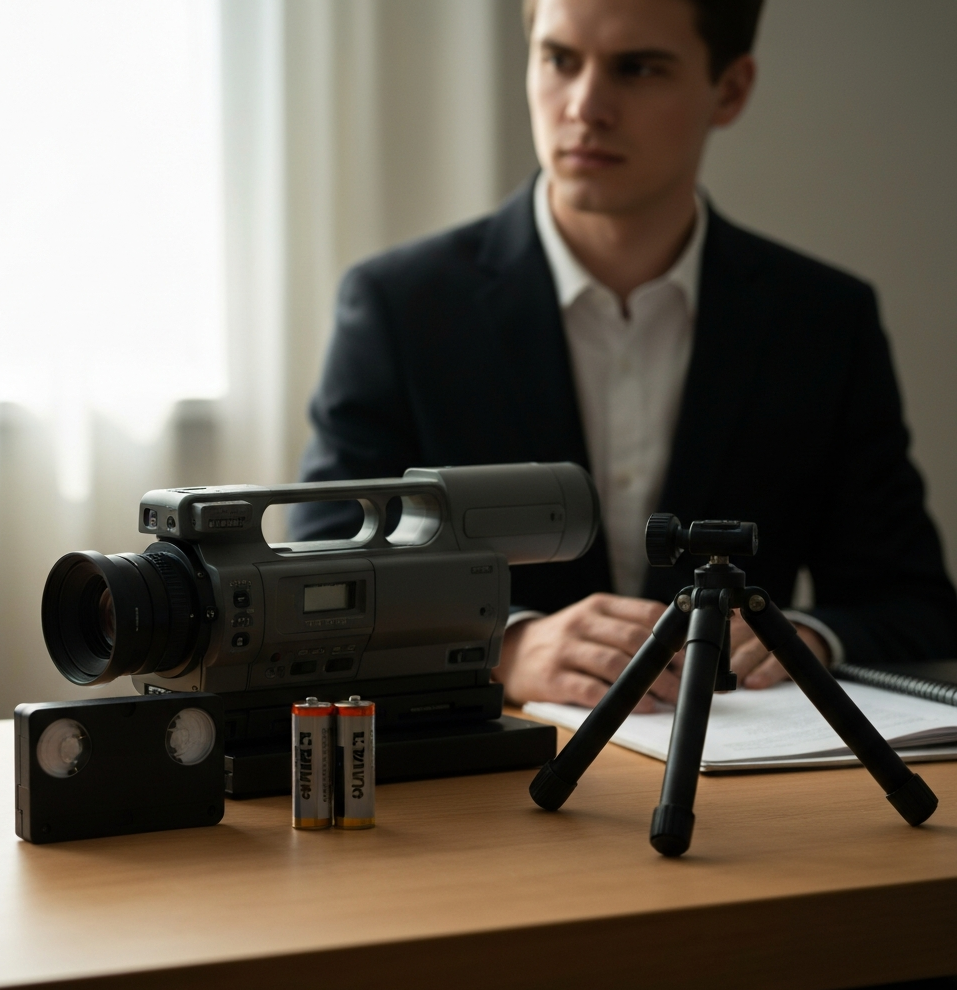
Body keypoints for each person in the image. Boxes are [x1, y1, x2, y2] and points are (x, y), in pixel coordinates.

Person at [290, 0, 957, 712]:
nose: (585, 106)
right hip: (495, 785)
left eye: (637, 68)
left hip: (743, 790)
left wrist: (803, 638)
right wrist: (505, 645)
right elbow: (322, 577)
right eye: (559, 59)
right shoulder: (401, 307)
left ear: (729, 90)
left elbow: (912, 601)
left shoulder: (823, 320)